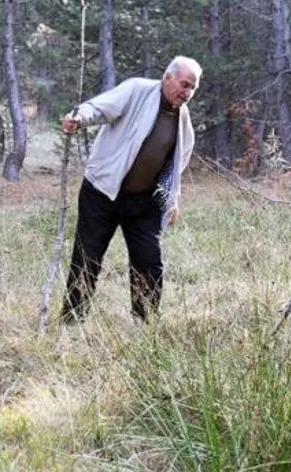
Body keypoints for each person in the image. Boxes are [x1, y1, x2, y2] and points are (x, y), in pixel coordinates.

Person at [60, 56, 202, 324]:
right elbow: (100, 108)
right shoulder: (137, 90)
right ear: (167, 77)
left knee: (149, 262)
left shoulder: (182, 118)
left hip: (144, 203)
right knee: (87, 258)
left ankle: (144, 324)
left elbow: (175, 164)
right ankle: (72, 323)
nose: (187, 92)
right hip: (102, 192)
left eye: (192, 88)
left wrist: (172, 200)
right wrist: (77, 119)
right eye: (184, 84)